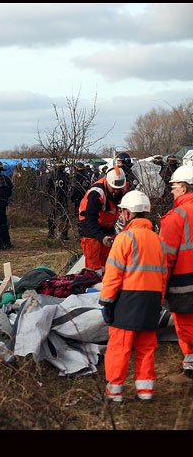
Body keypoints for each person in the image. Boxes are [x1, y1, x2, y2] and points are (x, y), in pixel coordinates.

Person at [99, 190, 168, 402]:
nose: (120, 215)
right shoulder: (158, 240)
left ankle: (114, 393)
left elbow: (113, 272)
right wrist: (159, 300)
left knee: (119, 347)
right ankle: (145, 392)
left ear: (128, 213)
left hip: (127, 299)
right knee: (146, 347)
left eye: (122, 212)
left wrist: (106, 300)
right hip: (152, 299)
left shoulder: (124, 238)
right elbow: (163, 274)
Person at [158, 165, 193, 385]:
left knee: (186, 326)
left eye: (174, 187)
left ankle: (190, 370)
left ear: (185, 188)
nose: (171, 191)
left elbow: (164, 260)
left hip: (184, 282)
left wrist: (158, 293)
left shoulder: (176, 216)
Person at [78, 166, 127, 273]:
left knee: (109, 260)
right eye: (113, 188)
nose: (116, 192)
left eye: (118, 189)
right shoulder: (96, 193)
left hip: (108, 225)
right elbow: (90, 220)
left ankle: (106, 280)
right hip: (90, 225)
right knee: (93, 260)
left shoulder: (122, 188)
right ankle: (93, 281)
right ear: (107, 182)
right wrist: (101, 237)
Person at [43, 161, 70, 240]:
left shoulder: (52, 176)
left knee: (52, 216)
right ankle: (64, 234)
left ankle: (51, 233)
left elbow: (47, 188)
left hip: (54, 199)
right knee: (64, 217)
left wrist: (49, 196)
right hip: (63, 199)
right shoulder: (66, 176)